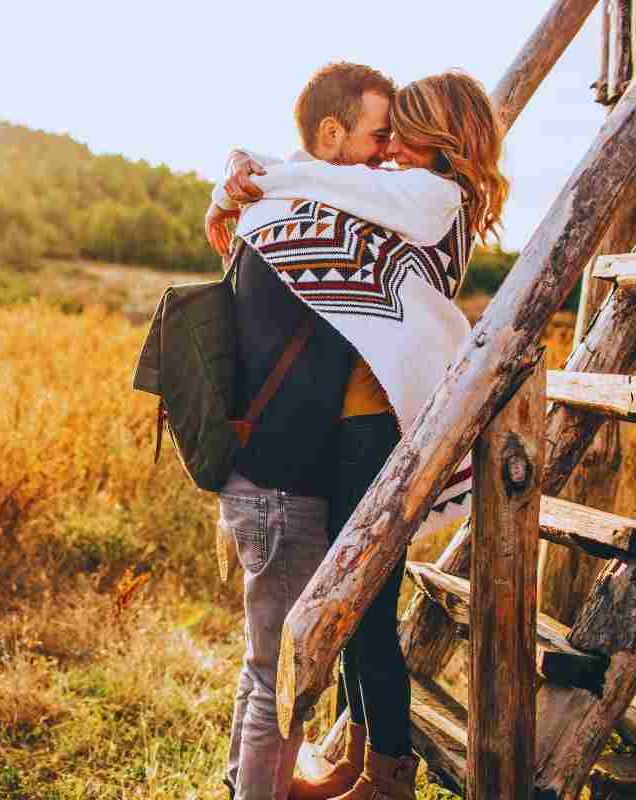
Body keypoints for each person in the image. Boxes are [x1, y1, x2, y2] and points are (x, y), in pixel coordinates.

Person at [214, 70, 509, 800]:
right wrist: (238, 184)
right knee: (351, 605)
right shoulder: (410, 198)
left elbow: (338, 187)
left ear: (440, 138)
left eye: (404, 133)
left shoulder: (431, 197)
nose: (391, 149)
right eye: (388, 131)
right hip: (359, 426)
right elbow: (334, 196)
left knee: (365, 609)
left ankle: (386, 775)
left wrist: (258, 177)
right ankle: (353, 760)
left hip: (375, 428)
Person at [211, 61, 396, 800]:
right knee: (283, 678)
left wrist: (234, 177)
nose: (387, 153)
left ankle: (244, 783)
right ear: (331, 132)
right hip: (284, 489)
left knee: (264, 665)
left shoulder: (275, 207)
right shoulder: (312, 223)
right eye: (378, 136)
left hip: (259, 479)